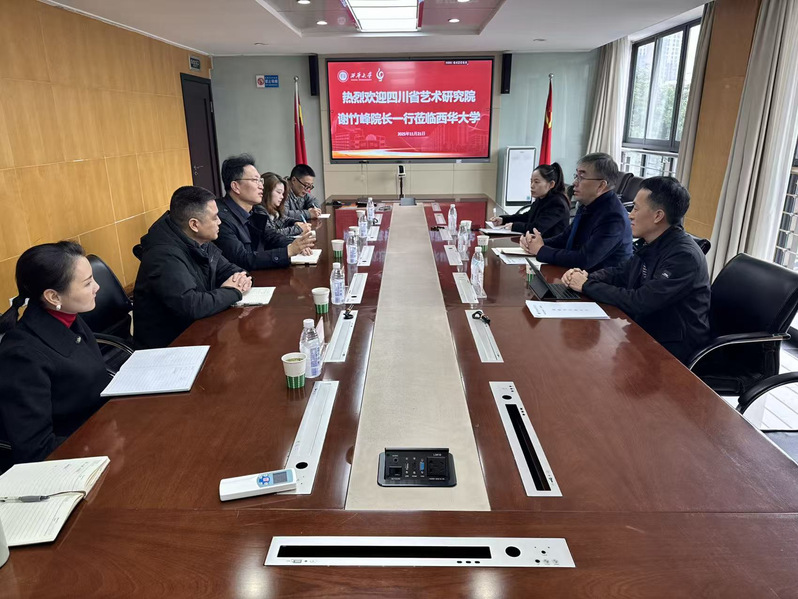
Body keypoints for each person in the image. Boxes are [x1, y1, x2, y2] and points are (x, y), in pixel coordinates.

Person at [562, 176, 711, 364]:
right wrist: (587, 276)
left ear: (658, 216)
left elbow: (640, 301)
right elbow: (621, 273)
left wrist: (586, 285)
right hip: (648, 330)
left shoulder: (683, 256)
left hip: (673, 349)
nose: (630, 215)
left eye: (636, 209)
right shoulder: (653, 242)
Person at [0, 242, 110, 465]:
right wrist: (101, 447)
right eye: (88, 283)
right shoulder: (22, 355)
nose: (97, 287)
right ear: (53, 297)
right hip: (76, 458)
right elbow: (36, 448)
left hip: (103, 427)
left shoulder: (69, 318)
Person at [133, 186, 253, 349]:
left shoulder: (199, 240)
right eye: (215, 217)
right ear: (194, 224)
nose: (220, 222)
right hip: (169, 346)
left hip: (198, 332)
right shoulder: (163, 255)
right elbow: (192, 305)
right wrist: (233, 291)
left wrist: (240, 279)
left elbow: (232, 270)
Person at [520, 153, 632, 272]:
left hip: (598, 281)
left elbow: (584, 259)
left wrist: (541, 250)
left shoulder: (613, 217)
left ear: (601, 185)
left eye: (581, 178)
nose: (574, 182)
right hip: (575, 276)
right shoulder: (588, 204)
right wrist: (536, 242)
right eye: (576, 176)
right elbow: (566, 238)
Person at [215, 154, 314, 271]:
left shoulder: (255, 209)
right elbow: (242, 259)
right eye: (255, 180)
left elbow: (271, 235)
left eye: (260, 180)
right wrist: (288, 251)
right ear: (236, 186)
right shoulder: (219, 218)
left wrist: (295, 244)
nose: (261, 186)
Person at [490, 163, 570, 237]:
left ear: (551, 184)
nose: (532, 186)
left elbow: (537, 229)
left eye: (536, 182)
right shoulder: (542, 198)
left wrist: (514, 226)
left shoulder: (557, 203)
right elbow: (527, 217)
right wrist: (503, 220)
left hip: (549, 246)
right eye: (531, 181)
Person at [250, 172, 312, 238]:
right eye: (279, 192)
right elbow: (271, 235)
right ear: (267, 192)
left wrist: (295, 223)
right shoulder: (259, 211)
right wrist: (298, 229)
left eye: (282, 194)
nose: (282, 197)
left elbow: (284, 220)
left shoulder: (274, 210)